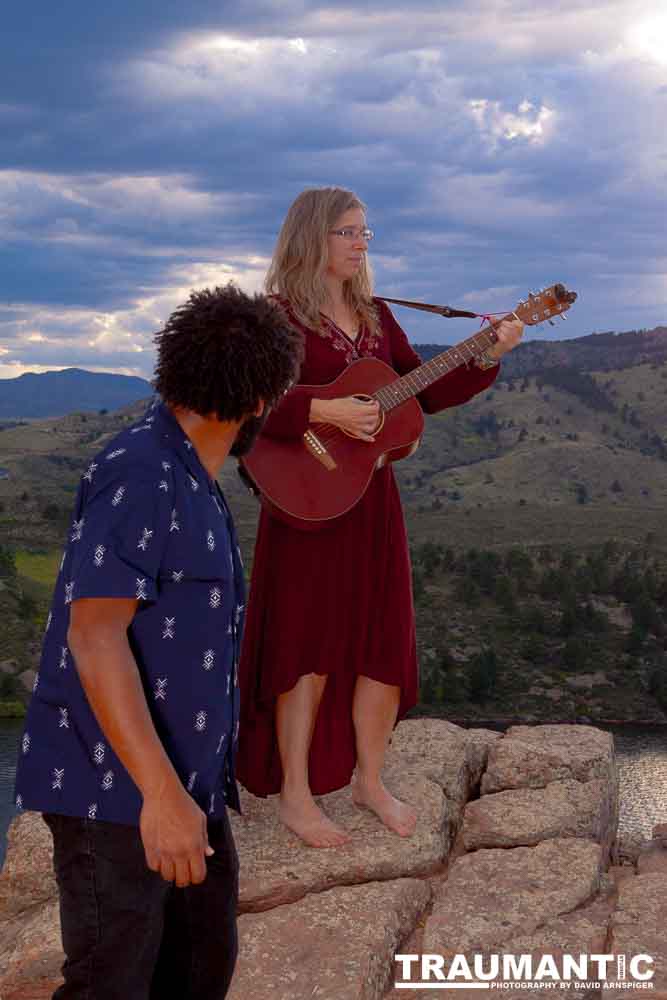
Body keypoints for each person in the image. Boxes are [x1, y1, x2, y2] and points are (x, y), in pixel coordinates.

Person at [13, 284, 303, 1000]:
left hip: (184, 787)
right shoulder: (143, 474)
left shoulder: (190, 473)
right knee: (111, 986)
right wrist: (163, 799)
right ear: (259, 401)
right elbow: (95, 636)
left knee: (200, 970)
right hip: (116, 795)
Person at [236, 187, 524, 849]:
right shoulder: (273, 319)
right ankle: (297, 796)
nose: (361, 243)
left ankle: (368, 779)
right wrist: (321, 410)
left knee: (379, 641)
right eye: (347, 231)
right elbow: (248, 403)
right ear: (311, 236)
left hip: (370, 499)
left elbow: (425, 386)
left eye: (365, 232)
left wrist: (488, 354)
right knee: (305, 648)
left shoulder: (374, 314)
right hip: (303, 506)